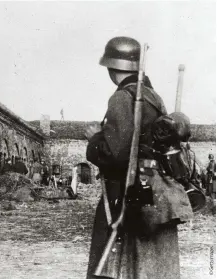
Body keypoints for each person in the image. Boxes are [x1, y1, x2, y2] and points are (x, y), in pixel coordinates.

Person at [85, 37, 180, 279]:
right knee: (144, 263)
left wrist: (95, 139)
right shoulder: (154, 98)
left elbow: (116, 156)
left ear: (111, 68)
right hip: (150, 189)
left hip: (123, 194)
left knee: (110, 265)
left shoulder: (121, 97)